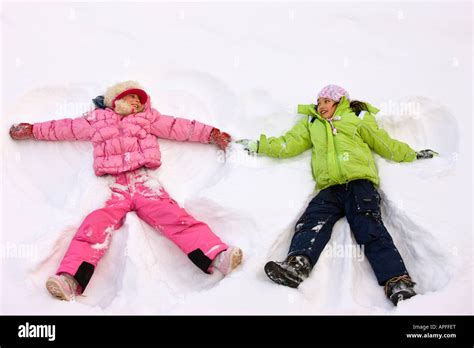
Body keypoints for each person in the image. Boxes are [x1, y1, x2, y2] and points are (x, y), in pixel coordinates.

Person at [10, 81, 243, 301]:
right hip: (114, 187)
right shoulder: (96, 120)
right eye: (130, 97)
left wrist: (211, 134)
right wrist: (32, 130)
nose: (135, 103)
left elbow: (179, 127)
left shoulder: (146, 118)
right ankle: (70, 278)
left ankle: (216, 255)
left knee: (175, 218)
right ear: (115, 101)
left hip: (144, 183)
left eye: (139, 99)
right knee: (95, 226)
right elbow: (64, 128)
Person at [237, 84, 437, 305]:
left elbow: (383, 143)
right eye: (319, 102)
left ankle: (397, 281)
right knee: (312, 220)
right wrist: (259, 145)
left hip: (360, 184)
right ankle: (297, 265)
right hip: (330, 187)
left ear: (339, 101)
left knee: (369, 228)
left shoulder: (356, 118)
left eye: (326, 101)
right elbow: (289, 143)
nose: (321, 106)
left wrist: (412, 154)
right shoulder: (312, 122)